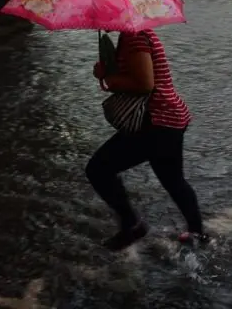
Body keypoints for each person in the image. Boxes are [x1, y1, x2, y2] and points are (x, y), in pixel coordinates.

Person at [87, 29, 206, 251]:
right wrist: (107, 74)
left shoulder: (135, 38)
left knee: (98, 169)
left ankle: (132, 225)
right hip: (167, 119)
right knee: (173, 179)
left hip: (156, 121)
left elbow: (145, 84)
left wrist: (108, 78)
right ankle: (197, 234)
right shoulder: (133, 35)